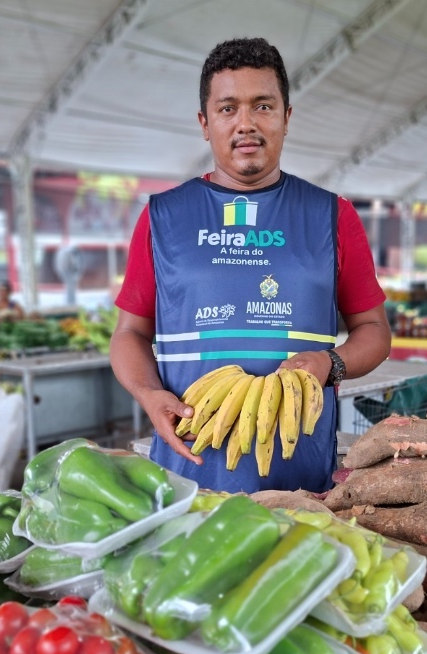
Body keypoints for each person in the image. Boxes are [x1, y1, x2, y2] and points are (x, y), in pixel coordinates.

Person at [110, 38, 391, 493]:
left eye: (263, 106)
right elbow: (129, 333)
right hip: (188, 468)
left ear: (286, 116)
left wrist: (330, 362)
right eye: (227, 109)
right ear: (204, 123)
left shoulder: (332, 215)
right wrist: (148, 394)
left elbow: (374, 330)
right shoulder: (163, 216)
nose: (246, 124)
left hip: (299, 476)